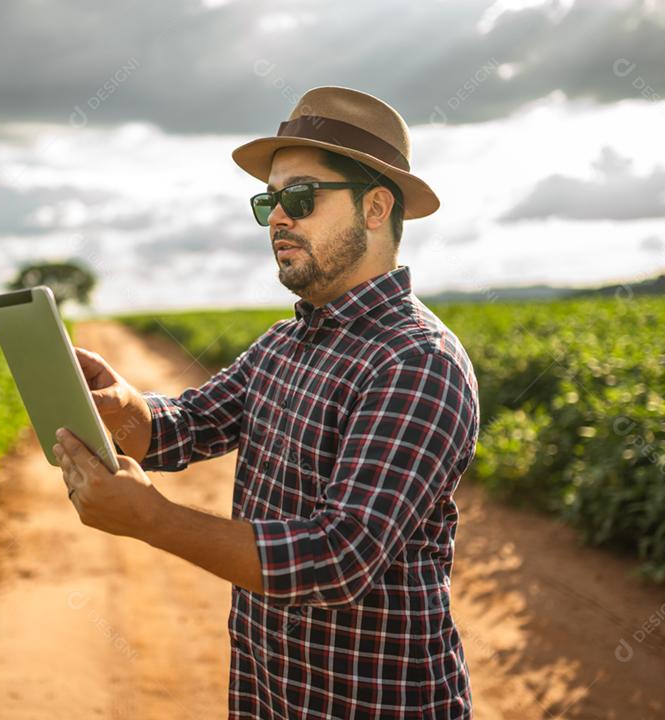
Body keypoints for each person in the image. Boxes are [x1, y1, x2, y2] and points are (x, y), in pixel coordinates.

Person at [54, 85, 480, 719]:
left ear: (376, 206)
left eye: (301, 197)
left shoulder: (417, 362)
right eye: (269, 202)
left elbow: (337, 557)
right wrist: (119, 405)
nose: (279, 218)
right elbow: (190, 426)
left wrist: (151, 520)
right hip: (268, 696)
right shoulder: (285, 341)